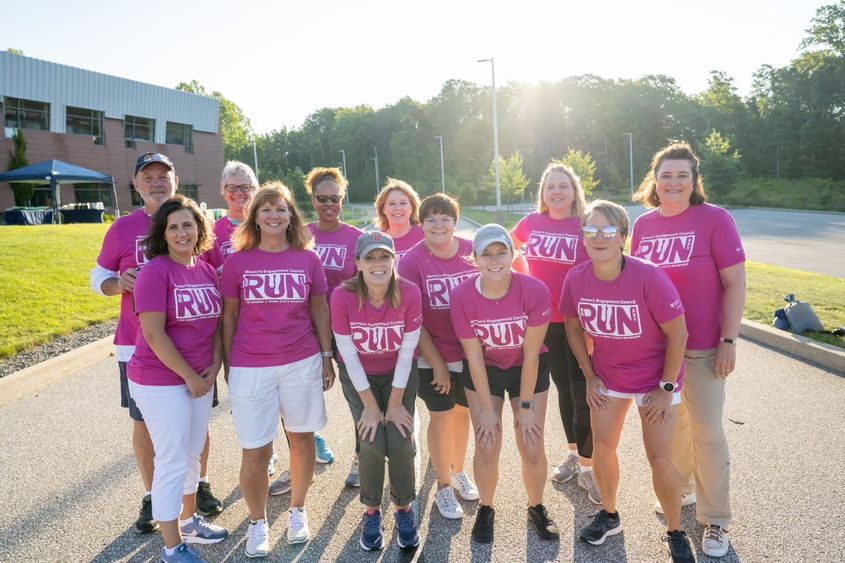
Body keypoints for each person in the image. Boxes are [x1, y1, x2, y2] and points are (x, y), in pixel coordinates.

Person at [90, 152, 221, 531]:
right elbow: (98, 275)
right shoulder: (122, 229)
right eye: (148, 177)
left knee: (195, 427)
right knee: (149, 426)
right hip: (141, 347)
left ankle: (195, 493)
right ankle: (154, 498)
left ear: (175, 181)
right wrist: (118, 283)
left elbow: (208, 276)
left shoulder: (197, 233)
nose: (157, 182)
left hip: (194, 350)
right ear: (136, 184)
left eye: (164, 176)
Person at [560, 200, 695, 563]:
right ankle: (609, 514)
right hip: (609, 377)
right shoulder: (576, 277)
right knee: (602, 447)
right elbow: (572, 326)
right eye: (591, 231)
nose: (599, 238)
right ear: (583, 237)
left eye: (608, 231)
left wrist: (666, 389)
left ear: (622, 236)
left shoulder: (648, 275)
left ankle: (675, 531)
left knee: (660, 460)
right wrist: (589, 375)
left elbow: (679, 334)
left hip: (656, 380)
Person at [631, 142, 746, 559]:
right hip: (658, 351)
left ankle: (716, 519)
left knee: (706, 431)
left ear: (694, 181)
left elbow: (735, 283)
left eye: (682, 175)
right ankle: (679, 491)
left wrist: (728, 341)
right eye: (666, 175)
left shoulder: (715, 220)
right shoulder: (643, 225)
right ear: (654, 181)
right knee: (671, 425)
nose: (674, 182)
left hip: (702, 347)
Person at [221, 183, 335, 556]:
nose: (273, 215)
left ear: (291, 216)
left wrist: (326, 355)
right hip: (250, 365)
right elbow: (230, 316)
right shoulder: (237, 262)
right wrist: (227, 364)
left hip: (301, 360)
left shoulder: (308, 259)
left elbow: (319, 309)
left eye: (281, 209)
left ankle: (297, 510)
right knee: (255, 449)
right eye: (266, 209)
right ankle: (257, 522)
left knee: (302, 440)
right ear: (254, 216)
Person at [126, 195, 228, 563]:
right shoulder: (155, 272)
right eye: (174, 227)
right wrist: (188, 376)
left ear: (200, 228)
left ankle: (188, 521)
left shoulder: (203, 269)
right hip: (160, 379)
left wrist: (214, 367)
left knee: (191, 454)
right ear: (163, 233)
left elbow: (215, 324)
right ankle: (171, 548)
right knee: (171, 458)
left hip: (200, 377)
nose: (182, 232)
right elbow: (154, 334)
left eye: (189, 224)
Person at [449, 224, 559, 543]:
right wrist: (485, 409)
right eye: (487, 254)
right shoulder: (462, 296)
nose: (494, 260)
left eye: (502, 252)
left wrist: (524, 408)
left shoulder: (534, 290)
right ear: (475, 259)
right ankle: (486, 509)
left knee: (531, 441)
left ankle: (536, 507)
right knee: (486, 441)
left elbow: (531, 353)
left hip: (527, 366)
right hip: (486, 369)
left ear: (513, 255)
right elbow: (473, 356)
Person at [510, 163, 597, 503]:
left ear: (575, 191)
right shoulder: (531, 223)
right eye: (550, 187)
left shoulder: (585, 224)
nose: (557, 192)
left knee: (583, 391)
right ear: (543, 194)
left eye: (563, 186)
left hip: (580, 321)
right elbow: (508, 246)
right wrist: (523, 278)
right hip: (543, 322)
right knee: (562, 390)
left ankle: (591, 468)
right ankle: (576, 455)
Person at [332, 232, 423, 551]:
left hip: (399, 373)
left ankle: (404, 509)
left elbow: (408, 350)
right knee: (371, 439)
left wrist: (395, 403)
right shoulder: (342, 296)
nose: (377, 264)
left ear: (394, 260)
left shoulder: (409, 293)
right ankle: (371, 512)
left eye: (384, 256)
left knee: (398, 439)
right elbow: (348, 354)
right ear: (357, 263)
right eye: (369, 257)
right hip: (359, 377)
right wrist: (371, 406)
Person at [398, 194, 479, 519]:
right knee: (442, 417)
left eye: (445, 217)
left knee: (463, 415)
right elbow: (413, 320)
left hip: (470, 352)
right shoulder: (411, 262)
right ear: (421, 223)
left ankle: (457, 471)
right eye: (430, 218)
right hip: (431, 355)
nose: (438, 224)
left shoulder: (470, 250)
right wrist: (438, 365)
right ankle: (443, 487)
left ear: (455, 221)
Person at [294, 166, 364, 491]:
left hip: (348, 329)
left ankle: (363, 457)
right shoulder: (300, 236)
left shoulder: (356, 238)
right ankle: (302, 454)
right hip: (306, 330)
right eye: (322, 198)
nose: (328, 204)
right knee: (298, 400)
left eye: (334, 198)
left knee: (358, 398)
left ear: (342, 198)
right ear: (312, 199)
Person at [374, 178, 424, 262]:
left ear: (411, 207)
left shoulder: (425, 235)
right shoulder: (377, 241)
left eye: (403, 203)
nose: (398, 208)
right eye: (392, 204)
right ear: (383, 209)